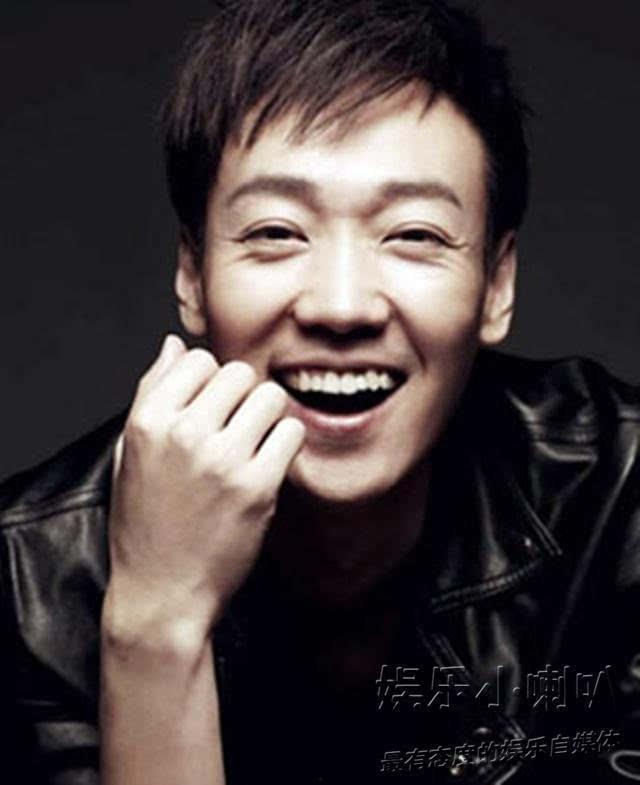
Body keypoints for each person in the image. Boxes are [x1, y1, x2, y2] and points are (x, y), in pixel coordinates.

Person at [1, 0, 639, 783]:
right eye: (276, 232)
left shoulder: (620, 496)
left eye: (413, 234)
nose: (341, 306)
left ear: (496, 283)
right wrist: (157, 624)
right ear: (192, 274)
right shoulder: (23, 580)